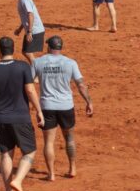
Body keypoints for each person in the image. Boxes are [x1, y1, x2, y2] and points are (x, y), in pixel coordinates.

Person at [0, 37, 45, 191]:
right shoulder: (23, 66)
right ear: (13, 50)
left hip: (0, 118)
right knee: (29, 151)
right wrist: (39, 110)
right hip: (20, 117)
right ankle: (18, 180)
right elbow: (30, 90)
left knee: (6, 154)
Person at [33, 36, 94, 181]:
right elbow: (80, 84)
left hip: (47, 106)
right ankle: (72, 168)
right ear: (60, 47)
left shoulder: (38, 62)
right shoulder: (70, 63)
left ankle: (51, 174)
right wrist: (89, 102)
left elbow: (29, 83)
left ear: (48, 47)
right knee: (69, 138)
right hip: (66, 106)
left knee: (49, 142)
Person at [7, 0, 45, 72]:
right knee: (26, 52)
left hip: (34, 30)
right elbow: (26, 17)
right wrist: (20, 28)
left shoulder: (24, 0)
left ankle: (37, 72)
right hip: (33, 29)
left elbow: (30, 15)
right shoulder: (22, 0)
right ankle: (37, 70)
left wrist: (29, 32)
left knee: (27, 52)